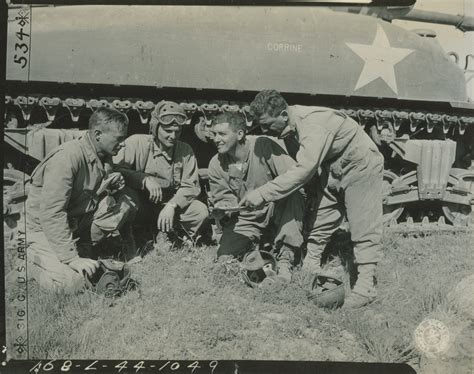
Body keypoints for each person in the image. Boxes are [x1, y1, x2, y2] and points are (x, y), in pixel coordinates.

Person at [240, 90, 384, 308]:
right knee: (321, 220)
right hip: (332, 167)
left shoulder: (312, 125)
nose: (265, 131)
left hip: (359, 163)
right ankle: (311, 267)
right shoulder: (290, 126)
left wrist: (262, 194)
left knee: (362, 226)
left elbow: (303, 170)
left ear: (283, 115)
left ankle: (365, 288)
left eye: (268, 125)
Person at [25, 107, 135, 293]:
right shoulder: (68, 157)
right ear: (98, 134)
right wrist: (71, 259)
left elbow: (87, 193)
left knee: (124, 203)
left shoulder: (102, 154)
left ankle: (82, 249)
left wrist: (110, 185)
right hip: (42, 229)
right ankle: (30, 262)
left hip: (73, 221)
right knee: (72, 283)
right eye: (119, 139)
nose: (123, 144)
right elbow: (52, 212)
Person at [208, 111, 304, 282]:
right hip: (247, 218)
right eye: (214, 134)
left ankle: (284, 260)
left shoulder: (263, 146)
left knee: (294, 196)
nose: (216, 139)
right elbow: (224, 196)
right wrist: (223, 209)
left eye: (222, 134)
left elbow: (293, 178)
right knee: (223, 261)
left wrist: (264, 194)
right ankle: (257, 253)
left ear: (240, 134)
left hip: (276, 210)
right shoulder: (216, 163)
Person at [114, 101, 209, 244]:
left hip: (169, 204)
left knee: (200, 211)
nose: (173, 136)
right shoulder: (137, 143)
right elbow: (116, 170)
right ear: (155, 127)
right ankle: (129, 236)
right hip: (142, 202)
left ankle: (171, 232)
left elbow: (191, 186)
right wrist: (144, 179)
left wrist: (172, 205)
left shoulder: (185, 150)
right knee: (124, 198)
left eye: (177, 132)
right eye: (168, 131)